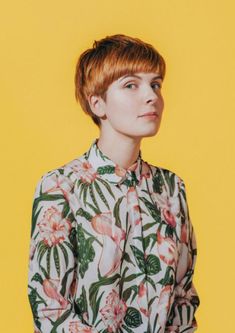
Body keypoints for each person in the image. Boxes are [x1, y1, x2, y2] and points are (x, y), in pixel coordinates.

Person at [27, 34, 200, 333]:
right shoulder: (60, 188)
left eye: (155, 84)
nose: (152, 96)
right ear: (98, 104)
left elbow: (183, 296)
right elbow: (50, 307)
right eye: (131, 84)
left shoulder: (171, 189)